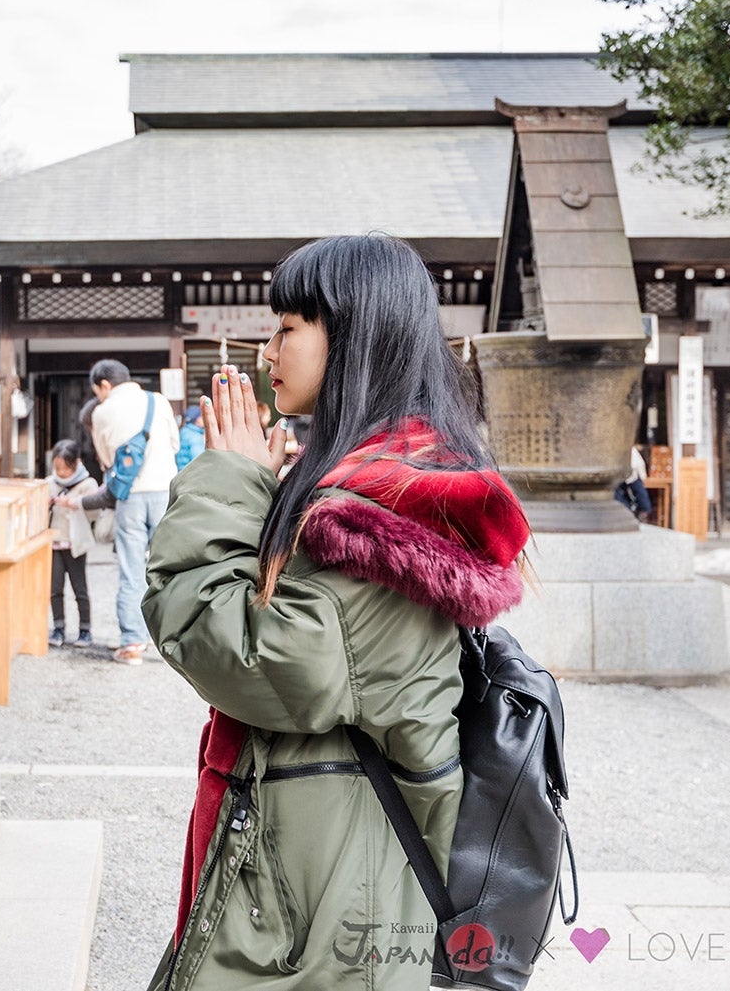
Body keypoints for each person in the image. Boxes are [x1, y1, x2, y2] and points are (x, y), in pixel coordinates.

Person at [141, 234, 530, 990]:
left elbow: (245, 654)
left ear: (354, 333)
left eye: (289, 327)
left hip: (331, 886)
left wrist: (228, 482)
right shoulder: (389, 475)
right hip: (335, 844)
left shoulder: (377, 511)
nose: (267, 351)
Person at [84, 360, 179, 665]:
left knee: (131, 569)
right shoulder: (158, 401)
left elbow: (106, 460)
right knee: (168, 568)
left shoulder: (102, 412)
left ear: (104, 385)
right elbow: (174, 445)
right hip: (165, 491)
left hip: (132, 497)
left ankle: (133, 643)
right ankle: (173, 641)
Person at [46, 439, 99, 648]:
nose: (61, 472)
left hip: (76, 543)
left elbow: (95, 514)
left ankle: (85, 630)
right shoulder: (49, 483)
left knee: (80, 589)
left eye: (65, 468)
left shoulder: (88, 484)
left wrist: (76, 504)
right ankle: (58, 628)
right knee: (55, 588)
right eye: (57, 467)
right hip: (54, 542)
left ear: (76, 463)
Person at [614, 445, 652, 521]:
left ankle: (643, 510)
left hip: (631, 475)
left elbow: (639, 463)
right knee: (619, 493)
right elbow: (640, 463)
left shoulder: (630, 449)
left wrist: (643, 476)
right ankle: (628, 511)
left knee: (638, 490)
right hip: (621, 477)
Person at [175, 406, 205, 470]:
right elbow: (199, 460)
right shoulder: (195, 437)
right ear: (197, 419)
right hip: (192, 474)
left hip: (183, 471)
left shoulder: (184, 431)